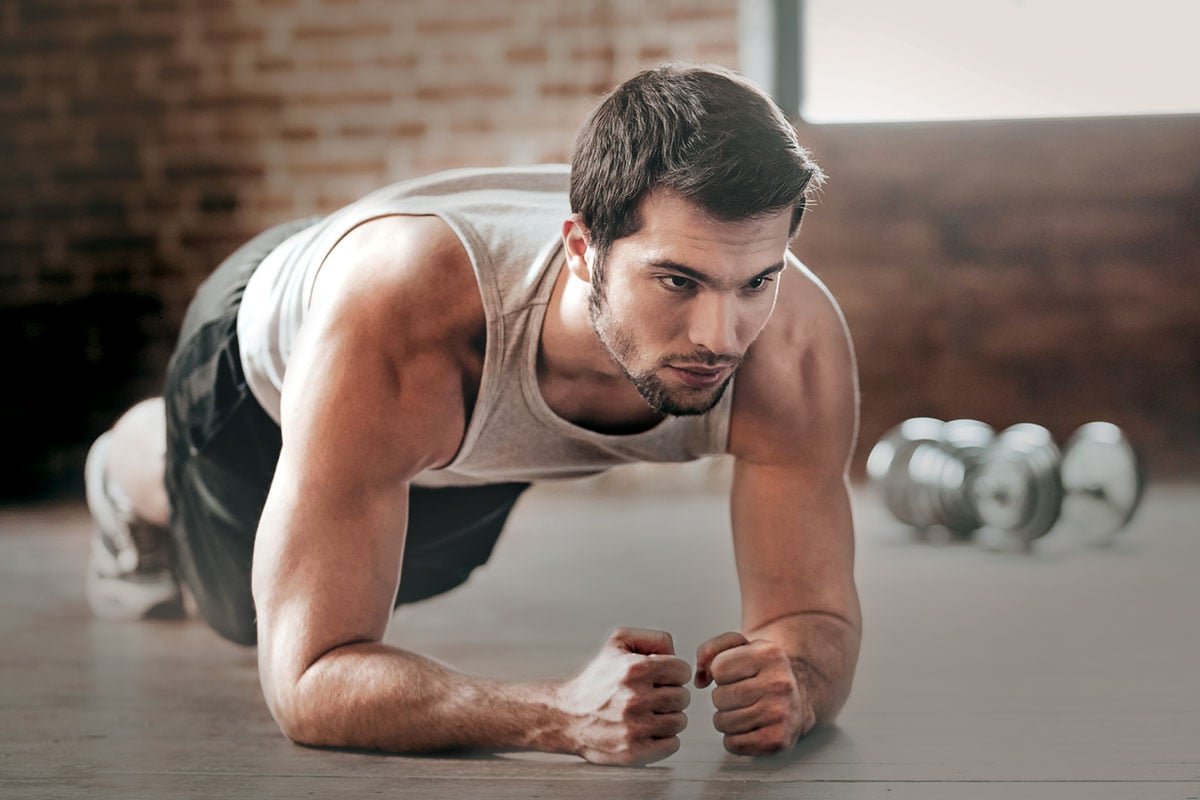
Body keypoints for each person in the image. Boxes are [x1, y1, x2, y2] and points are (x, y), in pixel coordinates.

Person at [84, 63, 862, 766]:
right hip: (269, 357)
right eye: (678, 283)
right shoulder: (403, 327)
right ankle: (125, 466)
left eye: (756, 282)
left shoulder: (793, 348)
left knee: (428, 567)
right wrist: (557, 714)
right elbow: (309, 681)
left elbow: (813, 614)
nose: (721, 340)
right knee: (240, 612)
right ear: (583, 253)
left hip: (466, 432)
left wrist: (795, 680)